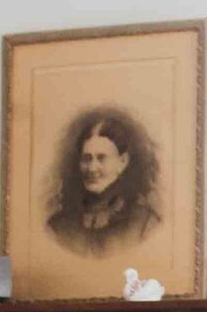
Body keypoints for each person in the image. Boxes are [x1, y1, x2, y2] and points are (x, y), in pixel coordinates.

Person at [46, 104, 164, 250]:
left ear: (122, 162)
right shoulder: (59, 227)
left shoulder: (145, 224)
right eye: (86, 158)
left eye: (101, 158)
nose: (92, 168)